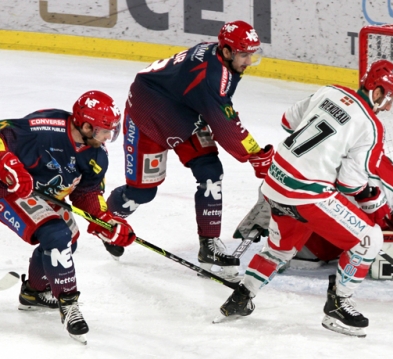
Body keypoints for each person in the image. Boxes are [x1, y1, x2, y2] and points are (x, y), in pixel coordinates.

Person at [217, 60, 393, 338]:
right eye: (389, 98)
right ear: (376, 90)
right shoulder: (371, 126)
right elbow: (350, 183)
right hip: (306, 193)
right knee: (369, 240)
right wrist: (375, 201)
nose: (389, 106)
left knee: (280, 249)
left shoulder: (328, 91)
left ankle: (242, 295)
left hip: (274, 181)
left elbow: (287, 120)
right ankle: (338, 306)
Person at [104, 20, 274, 279]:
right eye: (243, 54)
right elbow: (226, 125)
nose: (248, 61)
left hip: (181, 113)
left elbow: (222, 112)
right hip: (147, 113)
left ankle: (208, 245)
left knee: (210, 171)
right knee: (141, 192)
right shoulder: (213, 77)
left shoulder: (218, 58)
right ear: (226, 51)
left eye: (251, 54)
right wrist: (256, 155)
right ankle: (108, 219)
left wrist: (254, 153)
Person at [0, 91, 136, 343]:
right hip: (11, 191)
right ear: (85, 125)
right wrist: (4, 162)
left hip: (47, 195)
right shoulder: (45, 128)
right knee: (57, 234)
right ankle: (69, 303)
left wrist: (105, 221)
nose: (107, 138)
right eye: (104, 130)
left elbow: (87, 194)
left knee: (67, 242)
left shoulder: (97, 156)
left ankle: (34, 293)